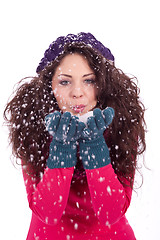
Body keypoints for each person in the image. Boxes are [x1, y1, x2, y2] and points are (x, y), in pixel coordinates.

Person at [4, 32, 146, 240]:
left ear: (103, 85)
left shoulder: (120, 124)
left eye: (89, 80)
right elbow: (47, 213)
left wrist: (95, 146)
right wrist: (62, 147)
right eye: (64, 82)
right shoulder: (34, 127)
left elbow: (111, 213)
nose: (77, 92)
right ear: (49, 86)